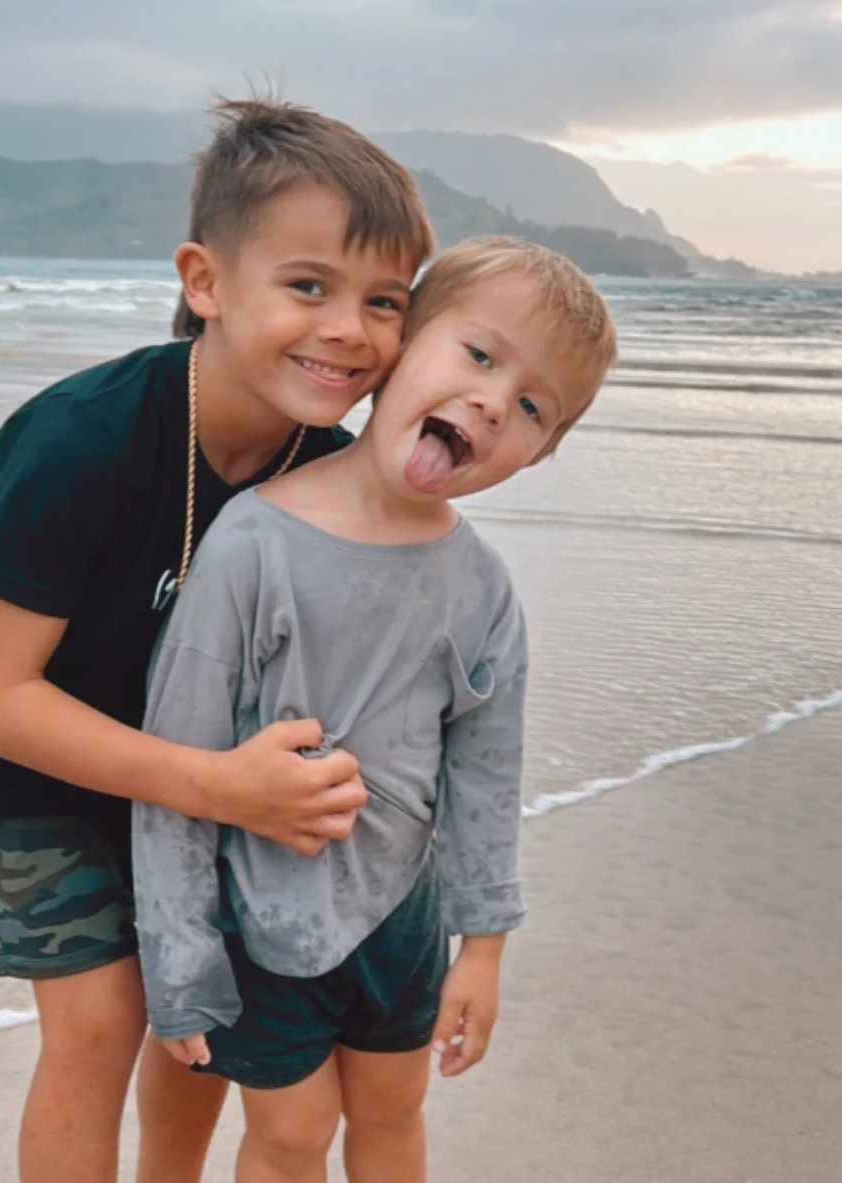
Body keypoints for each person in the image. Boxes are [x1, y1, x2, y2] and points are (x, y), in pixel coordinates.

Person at [0, 97, 435, 1183]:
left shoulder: (322, 470)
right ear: (205, 282)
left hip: (174, 723)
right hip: (2, 725)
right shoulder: (85, 439)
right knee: (102, 1017)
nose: (350, 328)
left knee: (200, 991)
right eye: (309, 286)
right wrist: (216, 786)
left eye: (385, 301)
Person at [133, 235, 618, 1183]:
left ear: (539, 452)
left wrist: (483, 950)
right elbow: (178, 756)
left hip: (402, 916)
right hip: (261, 913)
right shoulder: (253, 541)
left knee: (394, 1113)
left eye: (532, 407)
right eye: (478, 355)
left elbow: (486, 776)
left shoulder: (482, 587)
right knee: (294, 1132)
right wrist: (180, 952)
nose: (493, 401)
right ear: (400, 347)